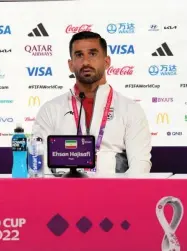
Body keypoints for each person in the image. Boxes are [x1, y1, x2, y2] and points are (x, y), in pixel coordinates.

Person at [32, 31, 152, 174]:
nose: (86, 62)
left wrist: (121, 194)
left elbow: (140, 164)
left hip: (112, 192)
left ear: (107, 62)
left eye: (93, 54)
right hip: (64, 193)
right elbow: (39, 164)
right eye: (79, 55)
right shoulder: (51, 109)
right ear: (70, 65)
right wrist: (59, 193)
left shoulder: (130, 109)